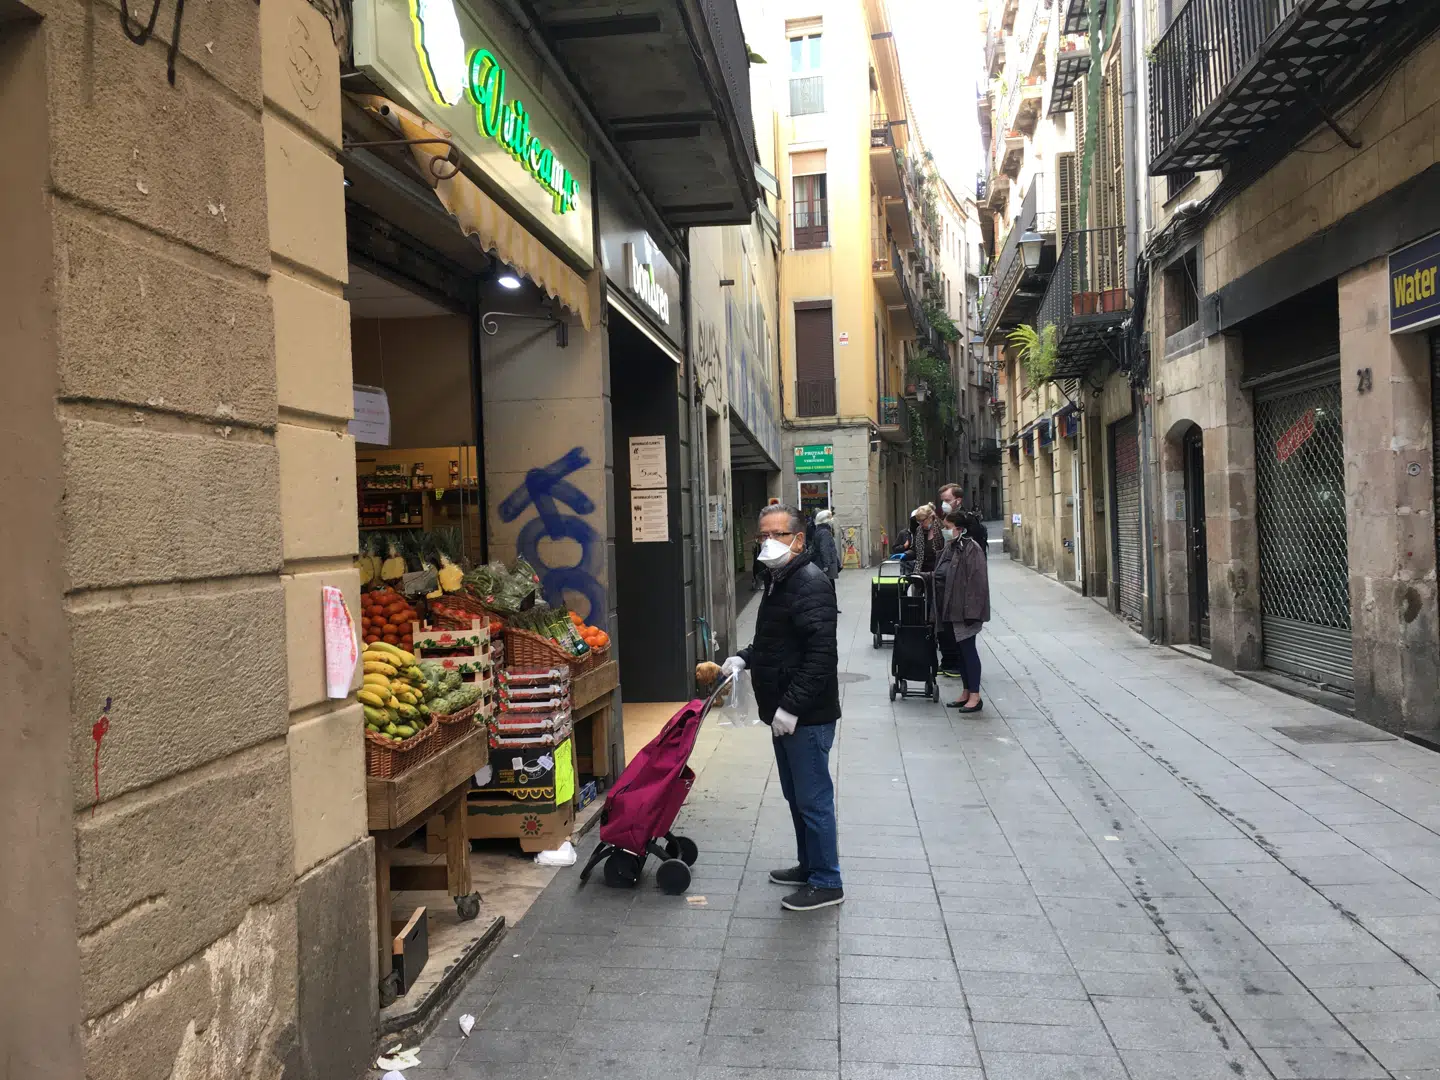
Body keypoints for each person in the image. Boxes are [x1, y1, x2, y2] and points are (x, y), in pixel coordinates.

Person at [721, 504, 842, 911]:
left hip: (804, 716)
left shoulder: (809, 582)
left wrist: (791, 708)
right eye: (762, 535)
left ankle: (827, 881)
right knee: (796, 795)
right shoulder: (779, 580)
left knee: (813, 799)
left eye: (777, 534)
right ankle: (810, 865)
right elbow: (777, 641)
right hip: (783, 715)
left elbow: (821, 655)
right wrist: (745, 657)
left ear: (799, 540)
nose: (768, 542)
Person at [930, 509, 990, 712]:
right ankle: (966, 692)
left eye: (947, 528)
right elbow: (941, 572)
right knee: (960, 653)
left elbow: (978, 582)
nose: (945, 531)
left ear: (960, 529)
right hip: (951, 608)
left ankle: (975, 696)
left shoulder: (971, 549)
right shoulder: (952, 547)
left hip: (965, 611)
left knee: (968, 651)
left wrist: (972, 612)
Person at [939, 482, 987, 553]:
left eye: (947, 500)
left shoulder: (968, 520)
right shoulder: (944, 517)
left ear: (958, 501)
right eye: (942, 501)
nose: (944, 504)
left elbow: (976, 549)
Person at [812, 509, 841, 582]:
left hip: (823, 564)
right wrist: (826, 566)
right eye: (830, 517)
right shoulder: (825, 532)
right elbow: (825, 549)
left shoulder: (820, 530)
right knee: (830, 587)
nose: (832, 519)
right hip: (827, 567)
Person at [913, 504, 943, 574]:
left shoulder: (941, 528)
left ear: (930, 517)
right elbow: (917, 552)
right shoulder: (919, 530)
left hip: (937, 569)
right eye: (919, 521)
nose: (921, 524)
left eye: (923, 521)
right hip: (922, 570)